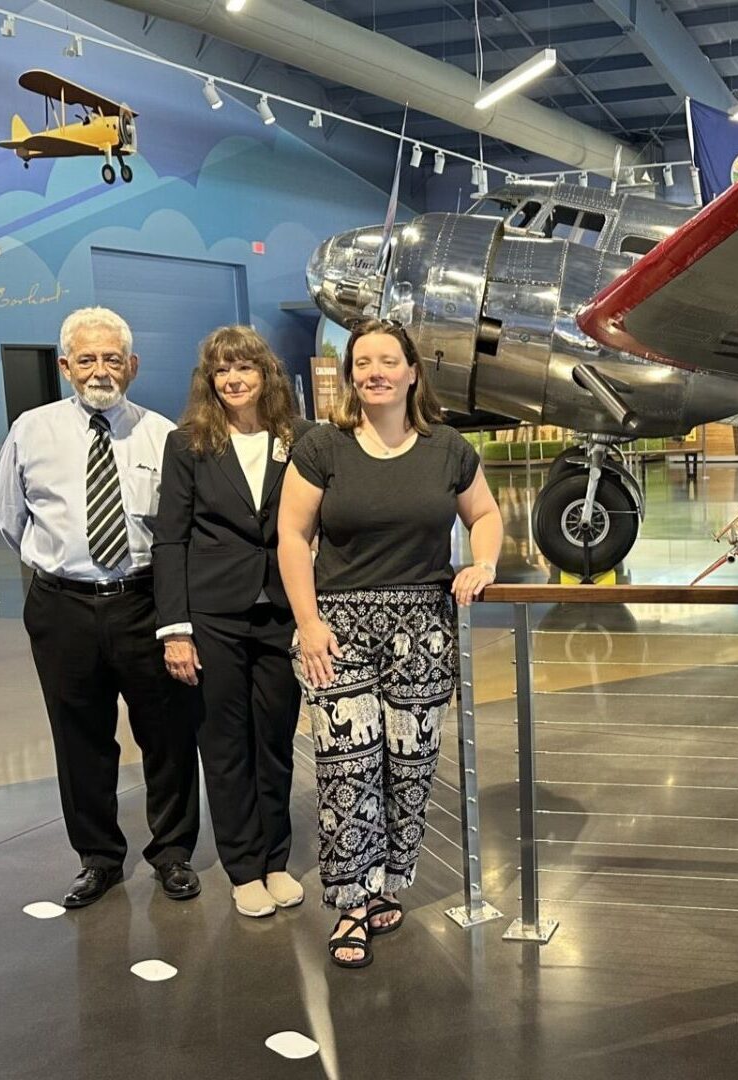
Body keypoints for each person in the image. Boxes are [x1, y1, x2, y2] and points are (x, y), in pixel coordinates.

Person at [277, 317, 502, 968]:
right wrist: (310, 621)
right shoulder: (322, 447)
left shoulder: (448, 449)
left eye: (387, 360)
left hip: (423, 628)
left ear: (411, 372)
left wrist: (482, 563)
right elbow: (293, 538)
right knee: (346, 770)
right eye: (362, 361)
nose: (374, 371)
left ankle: (388, 882)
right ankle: (350, 900)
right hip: (338, 629)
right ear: (351, 375)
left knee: (410, 768)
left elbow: (484, 514)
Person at [0, 307, 201, 908]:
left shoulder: (163, 435)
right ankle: (98, 857)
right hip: (63, 608)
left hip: (144, 604)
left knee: (166, 733)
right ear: (65, 366)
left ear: (132, 366)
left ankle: (173, 854)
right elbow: (12, 522)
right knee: (80, 737)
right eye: (86, 358)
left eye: (113, 358)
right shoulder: (30, 431)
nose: (100, 370)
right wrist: (61, 568)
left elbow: (177, 531)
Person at [153, 326, 314, 919]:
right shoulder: (188, 443)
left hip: (280, 610)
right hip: (212, 615)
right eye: (222, 370)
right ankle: (244, 868)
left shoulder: (300, 439)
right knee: (223, 747)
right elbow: (170, 538)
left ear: (266, 372)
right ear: (209, 380)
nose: (234, 379)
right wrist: (175, 627)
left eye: (244, 367)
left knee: (273, 741)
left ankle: (276, 860)